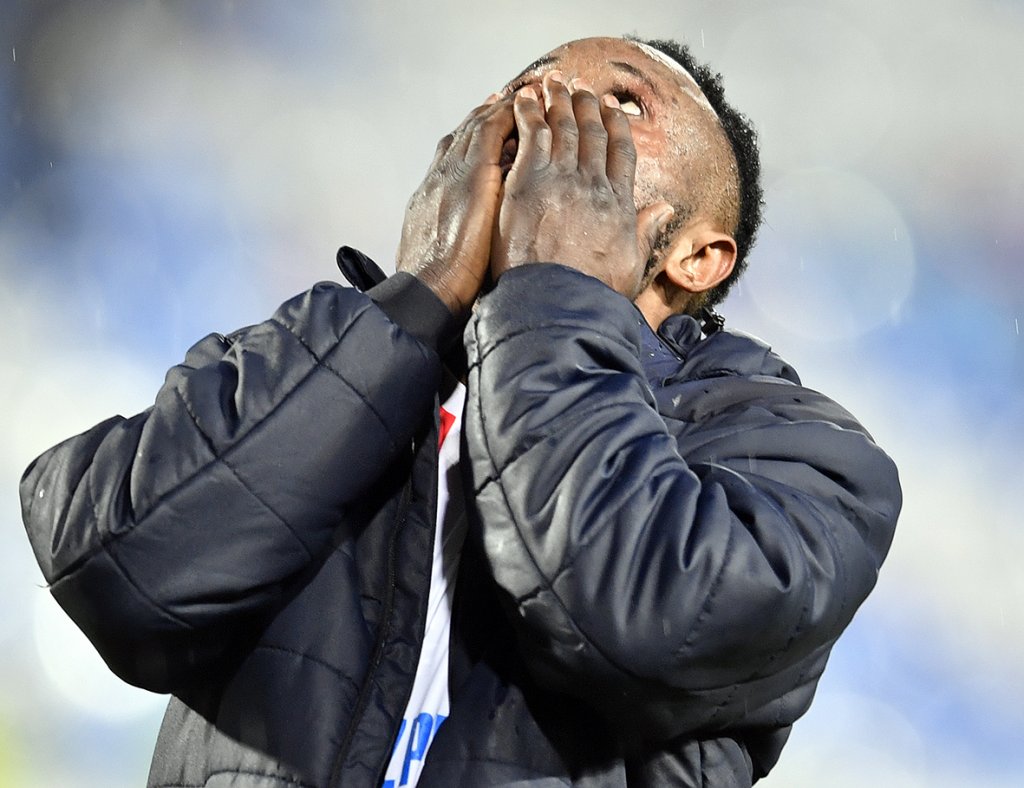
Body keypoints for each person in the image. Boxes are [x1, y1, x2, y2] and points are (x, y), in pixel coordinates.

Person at [20, 35, 901, 787]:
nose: (555, 111)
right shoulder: (320, 357)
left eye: (624, 105)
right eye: (532, 90)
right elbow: (124, 574)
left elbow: (634, 608)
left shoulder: (802, 458)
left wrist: (553, 292)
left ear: (698, 256)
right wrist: (420, 294)